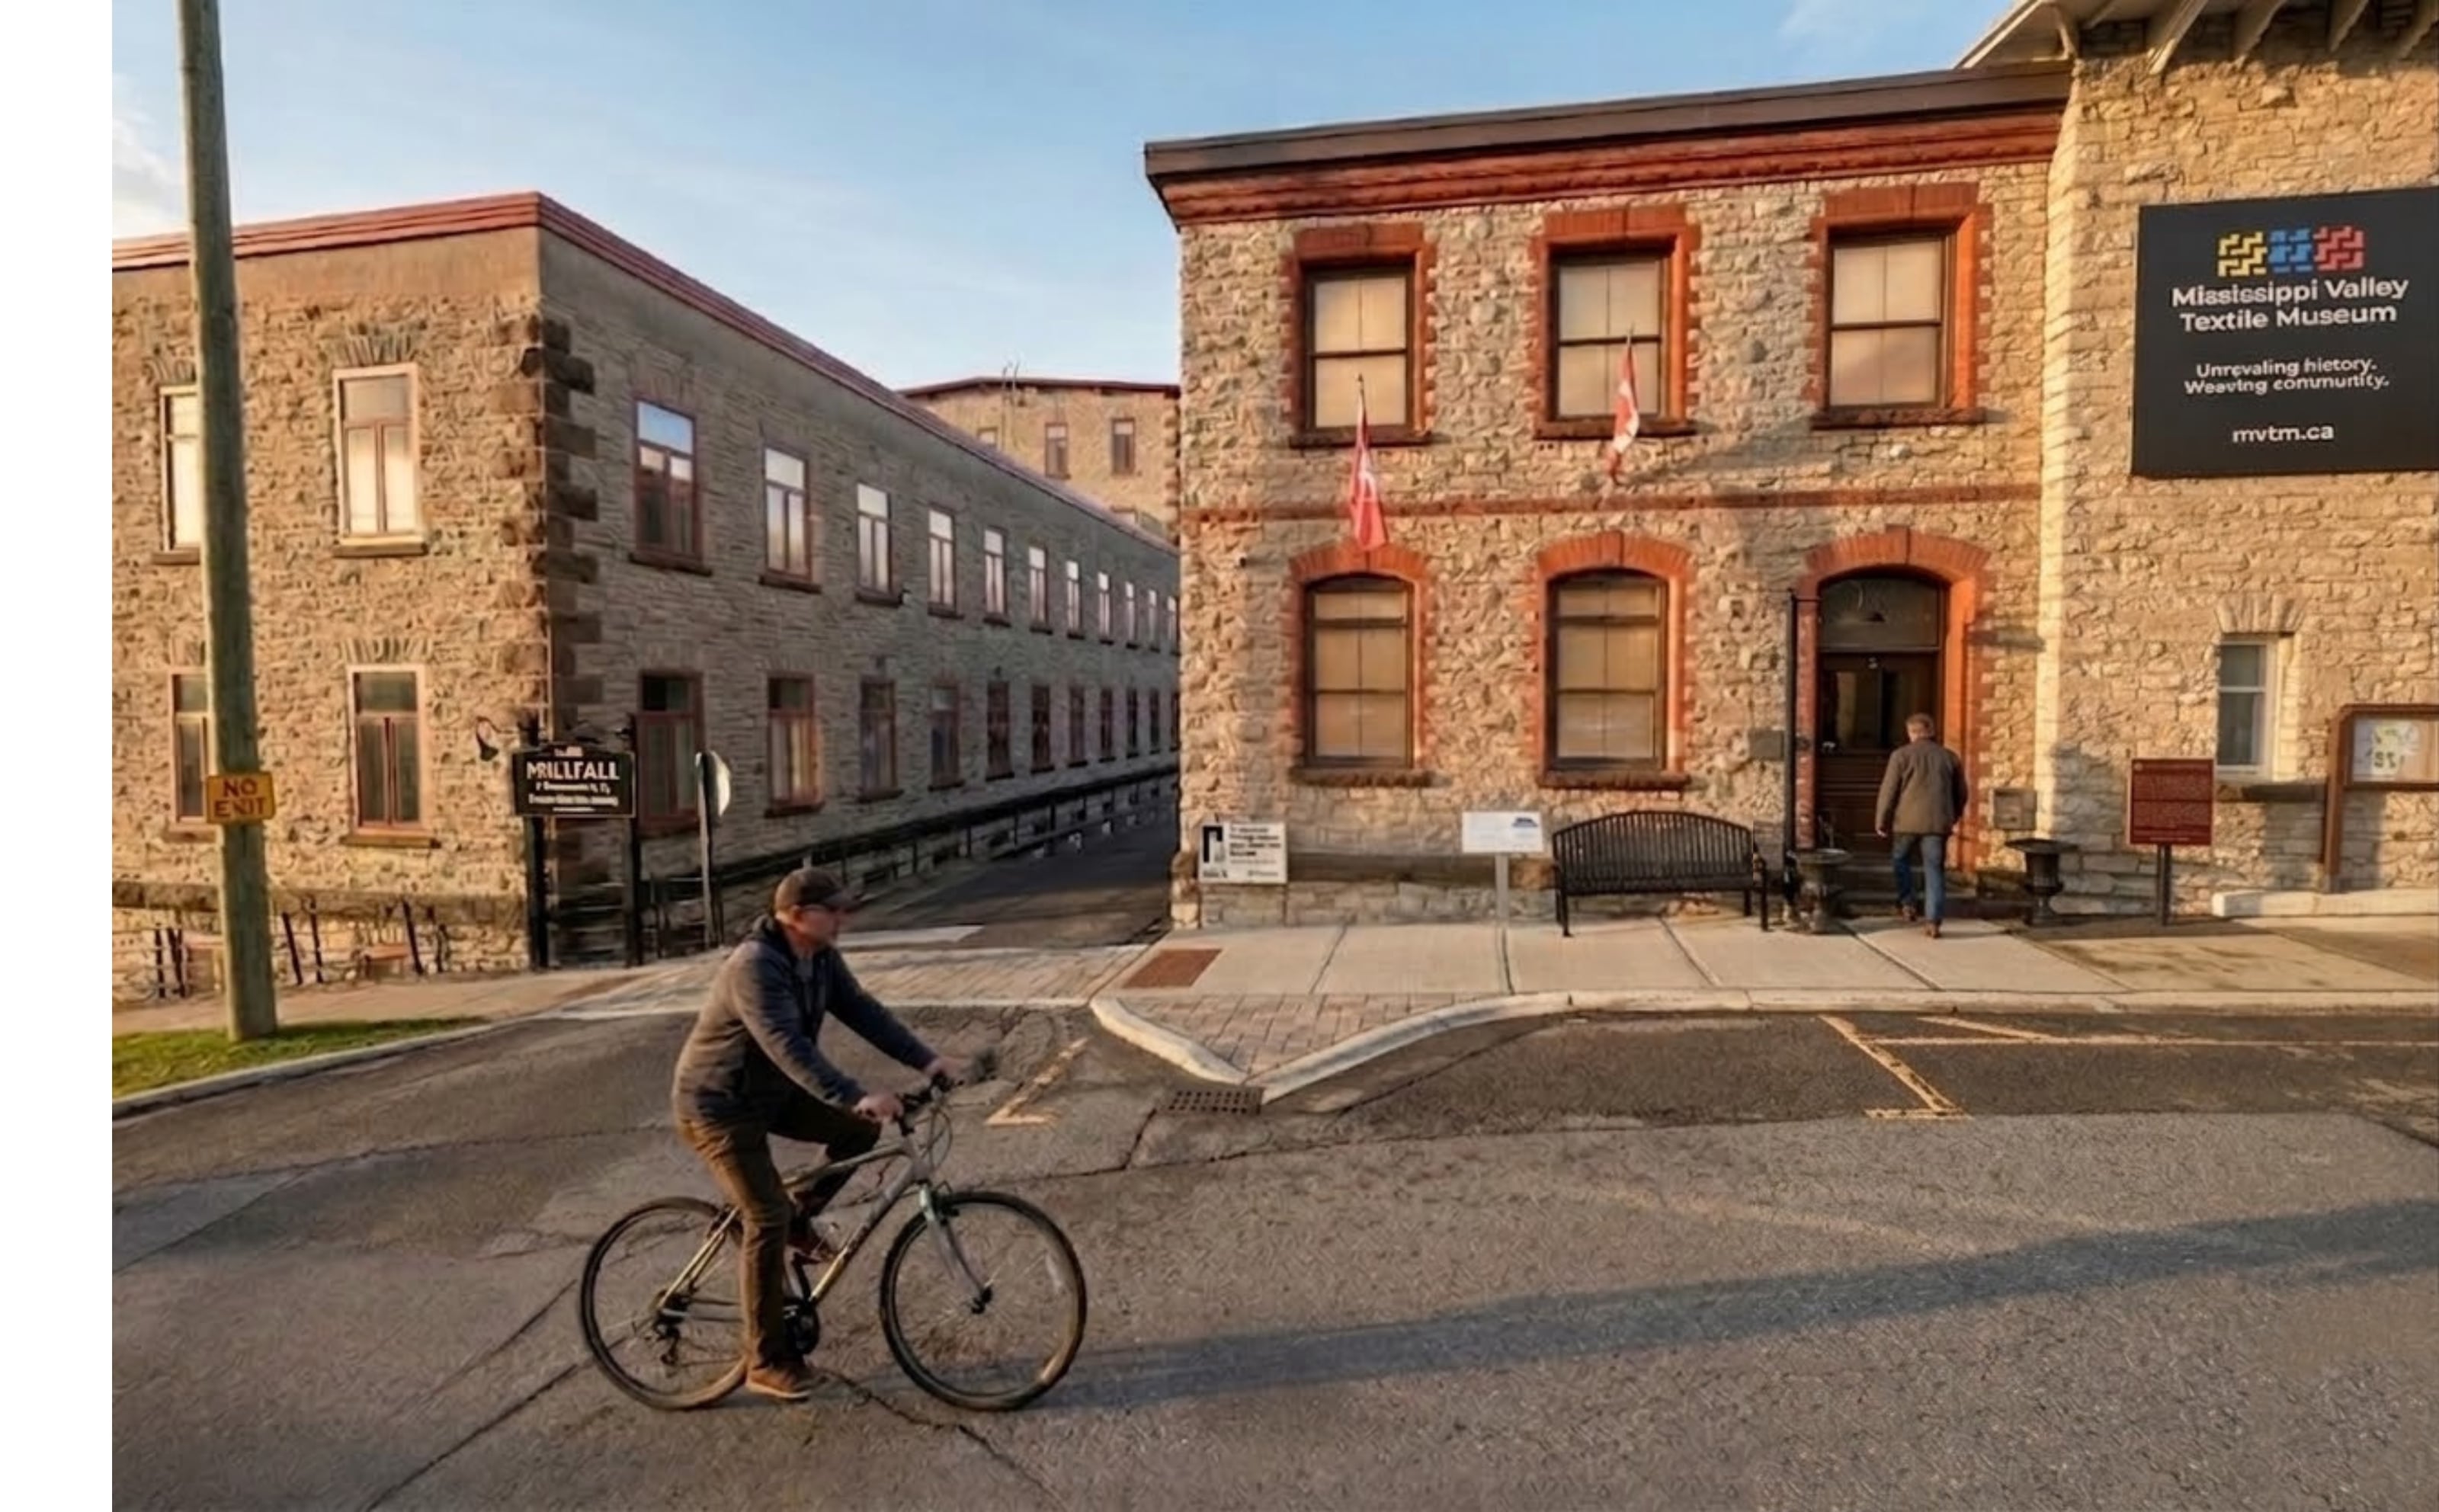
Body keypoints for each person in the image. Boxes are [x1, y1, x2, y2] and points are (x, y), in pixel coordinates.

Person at [670, 866, 967, 1401]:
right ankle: (765, 1359)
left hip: (769, 1097)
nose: (844, 919)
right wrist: (856, 1094)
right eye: (834, 911)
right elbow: (788, 1046)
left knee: (859, 1135)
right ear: (796, 916)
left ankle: (798, 1219)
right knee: (764, 1215)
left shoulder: (821, 958)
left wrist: (929, 1060)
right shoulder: (754, 967)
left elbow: (863, 1013)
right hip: (717, 1105)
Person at [1873, 713, 1969, 939]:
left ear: (1911, 733)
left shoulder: (1901, 756)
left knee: (1900, 860)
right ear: (1932, 731)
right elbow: (1962, 793)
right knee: (1934, 869)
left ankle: (1907, 903)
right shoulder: (1949, 757)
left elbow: (1888, 791)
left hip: (1905, 821)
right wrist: (1953, 815)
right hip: (1938, 823)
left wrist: (1881, 820)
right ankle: (1933, 921)